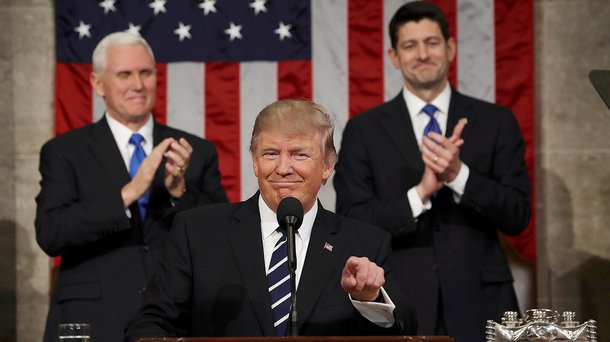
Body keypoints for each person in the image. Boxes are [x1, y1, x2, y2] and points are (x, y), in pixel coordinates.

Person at [123, 99, 417, 341]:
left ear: (328, 166)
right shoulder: (197, 233)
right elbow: (150, 325)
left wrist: (369, 299)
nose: (283, 168)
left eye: (300, 154)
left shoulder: (364, 241)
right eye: (271, 153)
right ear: (254, 161)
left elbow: (406, 329)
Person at [333, 2, 531, 341]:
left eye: (432, 42)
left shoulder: (496, 121)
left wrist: (458, 175)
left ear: (451, 48)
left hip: (482, 303)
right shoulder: (363, 130)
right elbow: (353, 220)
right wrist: (420, 194)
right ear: (394, 56)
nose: (422, 54)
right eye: (410, 45)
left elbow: (517, 215)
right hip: (401, 300)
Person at [35, 32, 228, 342]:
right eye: (124, 74)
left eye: (146, 73)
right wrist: (128, 193)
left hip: (175, 319)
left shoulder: (195, 150)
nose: (138, 85)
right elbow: (51, 233)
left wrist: (180, 192)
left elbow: (222, 237)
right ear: (98, 84)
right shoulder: (64, 152)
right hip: (94, 318)